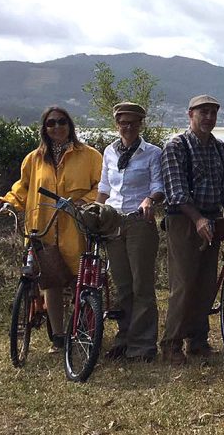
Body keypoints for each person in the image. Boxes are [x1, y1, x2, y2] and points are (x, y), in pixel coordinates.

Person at [0, 107, 103, 351]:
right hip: (43, 228)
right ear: (44, 128)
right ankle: (58, 336)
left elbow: (102, 186)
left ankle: (83, 329)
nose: (57, 127)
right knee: (51, 283)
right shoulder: (34, 158)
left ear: (70, 125)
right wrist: (4, 201)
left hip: (76, 227)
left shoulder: (89, 155)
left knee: (78, 281)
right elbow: (22, 189)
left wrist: (83, 201)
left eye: (61, 122)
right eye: (51, 123)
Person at [159, 95, 224, 365]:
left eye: (213, 113)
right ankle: (171, 343)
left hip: (213, 219)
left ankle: (198, 340)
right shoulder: (176, 146)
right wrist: (197, 220)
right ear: (190, 114)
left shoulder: (219, 148)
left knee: (206, 284)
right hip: (184, 220)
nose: (208, 117)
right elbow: (176, 192)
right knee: (183, 283)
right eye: (203, 112)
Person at [96, 102, 164, 362]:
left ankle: (143, 345)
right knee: (122, 286)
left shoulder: (152, 152)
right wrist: (95, 211)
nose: (128, 127)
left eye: (133, 122)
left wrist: (150, 199)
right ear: (117, 124)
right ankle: (124, 339)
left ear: (140, 124)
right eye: (123, 122)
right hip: (113, 223)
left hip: (139, 223)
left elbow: (158, 185)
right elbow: (104, 187)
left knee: (142, 286)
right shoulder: (109, 152)